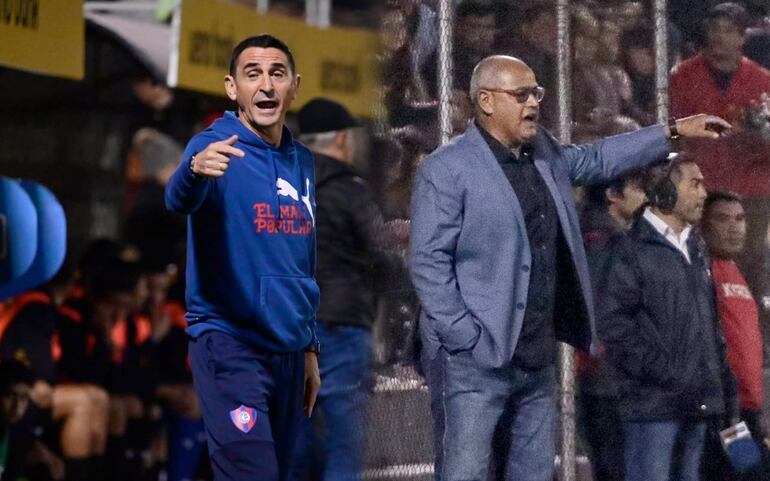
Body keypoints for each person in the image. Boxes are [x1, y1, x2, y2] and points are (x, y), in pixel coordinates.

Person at [408, 54, 729, 481]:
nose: (533, 103)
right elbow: (428, 263)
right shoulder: (447, 168)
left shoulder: (544, 154)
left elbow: (596, 159)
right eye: (520, 95)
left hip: (536, 355)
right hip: (474, 361)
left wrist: (672, 130)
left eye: (536, 92)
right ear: (486, 101)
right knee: (465, 473)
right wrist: (466, 336)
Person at [164, 34, 320, 481]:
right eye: (253, 75)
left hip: (290, 350)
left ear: (294, 85)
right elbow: (177, 199)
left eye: (277, 74)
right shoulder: (213, 147)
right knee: (252, 474)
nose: (266, 85)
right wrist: (193, 172)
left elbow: (303, 256)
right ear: (233, 88)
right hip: (230, 343)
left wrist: (309, 347)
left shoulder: (303, 161)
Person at [596, 158, 738, 481]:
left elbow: (711, 327)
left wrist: (723, 388)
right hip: (653, 411)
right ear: (665, 190)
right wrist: (665, 372)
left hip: (699, 406)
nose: (704, 193)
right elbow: (614, 325)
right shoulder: (629, 250)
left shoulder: (697, 247)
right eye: (695, 184)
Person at [288, 98, 378, 481]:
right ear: (341, 139)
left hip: (290, 324)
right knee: (346, 438)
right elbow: (379, 250)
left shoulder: (281, 188)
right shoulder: (349, 189)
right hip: (340, 323)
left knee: (293, 434)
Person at [670, 2, 770, 293]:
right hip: (702, 184)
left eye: (728, 31)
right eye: (714, 29)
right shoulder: (682, 76)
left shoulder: (763, 81)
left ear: (742, 37)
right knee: (699, 266)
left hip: (750, 188)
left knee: (748, 269)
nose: (719, 37)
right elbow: (673, 130)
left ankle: (751, 336)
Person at [577, 169, 647, 481]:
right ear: (612, 196)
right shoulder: (604, 241)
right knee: (617, 464)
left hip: (603, 374)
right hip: (608, 375)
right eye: (636, 188)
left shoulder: (601, 237)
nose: (644, 195)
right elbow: (601, 303)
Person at [701, 191, 769, 481]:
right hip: (725, 413)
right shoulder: (703, 272)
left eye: (740, 218)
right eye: (723, 218)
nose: (735, 227)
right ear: (702, 225)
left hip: (747, 411)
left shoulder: (735, 271)